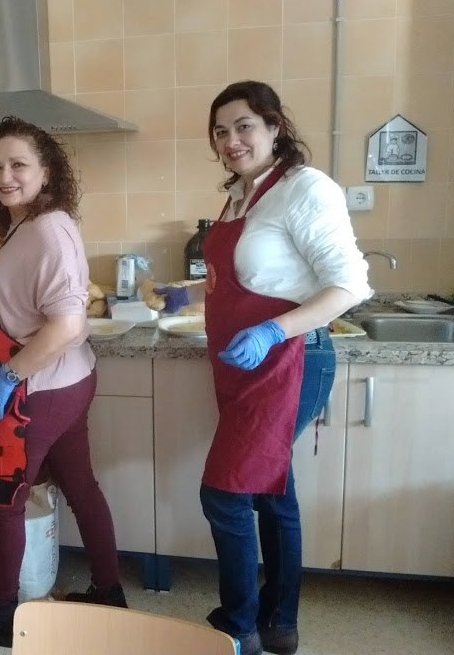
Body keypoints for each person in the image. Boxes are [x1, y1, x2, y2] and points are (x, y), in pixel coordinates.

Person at [155, 81, 371, 655]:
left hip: (290, 362)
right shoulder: (241, 195)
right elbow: (249, 276)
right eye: (220, 131)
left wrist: (274, 330)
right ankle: (280, 622)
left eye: (244, 126)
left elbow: (351, 285)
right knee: (273, 492)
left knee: (224, 495)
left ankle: (239, 627)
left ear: (275, 127)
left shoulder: (305, 188)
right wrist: (186, 294)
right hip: (242, 367)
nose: (231, 140)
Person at [0, 116, 126, 648]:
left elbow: (67, 325)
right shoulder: (28, 223)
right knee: (81, 487)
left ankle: (1, 614)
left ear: (46, 171)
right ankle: (109, 591)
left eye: (19, 165)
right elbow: (26, 301)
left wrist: (8, 377)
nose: (5, 176)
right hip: (63, 384)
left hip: (37, 393)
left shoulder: (47, 230)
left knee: (4, 497)